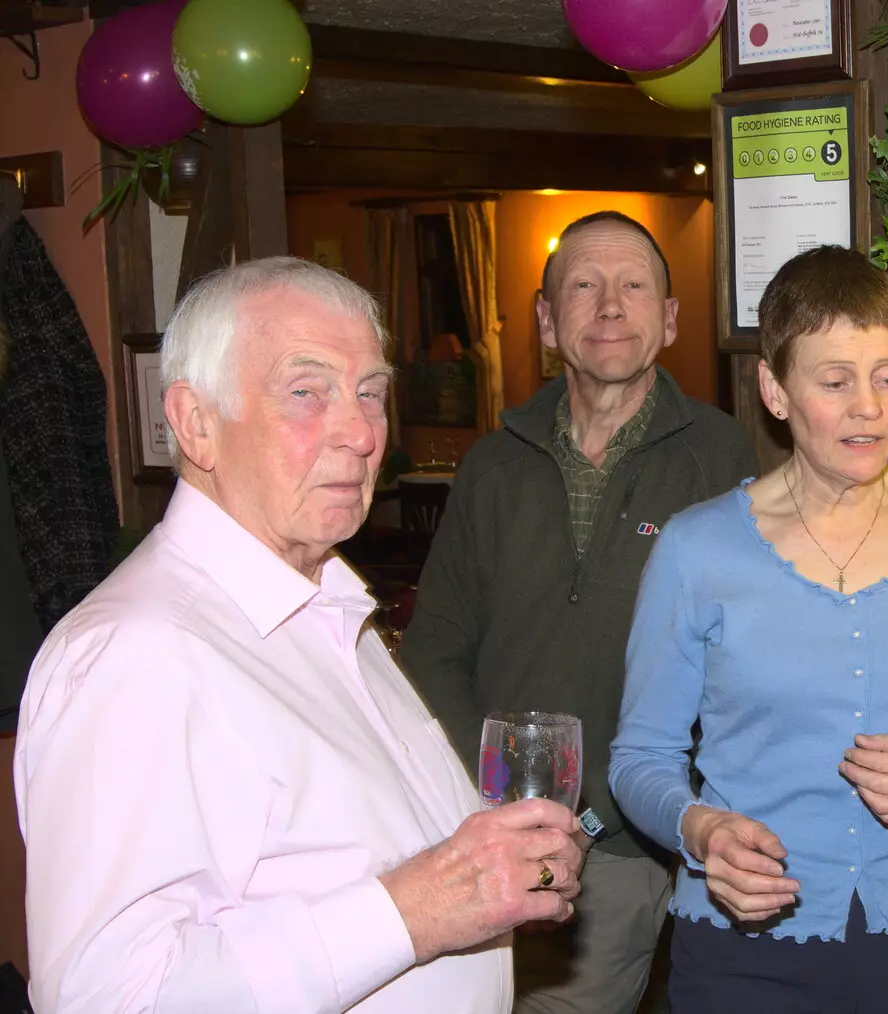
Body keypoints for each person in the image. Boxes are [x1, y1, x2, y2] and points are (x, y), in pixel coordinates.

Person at [14, 257, 585, 1014]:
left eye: (371, 393)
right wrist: (417, 910)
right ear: (195, 422)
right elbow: (104, 998)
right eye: (305, 392)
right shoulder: (138, 653)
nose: (359, 432)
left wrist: (493, 873)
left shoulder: (325, 609)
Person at [609, 245, 888, 1013]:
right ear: (775, 390)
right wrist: (702, 829)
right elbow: (640, 757)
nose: (870, 408)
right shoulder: (696, 548)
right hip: (741, 947)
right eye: (835, 381)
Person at [401, 210, 757, 1013]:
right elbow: (435, 649)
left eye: (633, 286)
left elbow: (734, 669)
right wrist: (501, 810)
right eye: (583, 286)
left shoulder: (721, 457)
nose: (608, 306)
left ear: (668, 320)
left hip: (622, 847)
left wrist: (592, 812)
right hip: (477, 836)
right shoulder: (493, 463)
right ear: (545, 319)